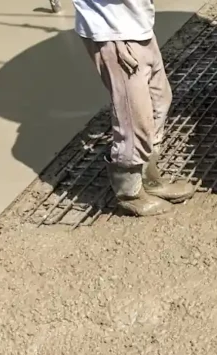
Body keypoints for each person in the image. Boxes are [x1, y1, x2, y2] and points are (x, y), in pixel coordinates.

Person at [72, 0, 196, 216]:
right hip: (113, 33)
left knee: (159, 99)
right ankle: (129, 192)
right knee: (134, 117)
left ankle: (149, 177)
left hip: (136, 24)